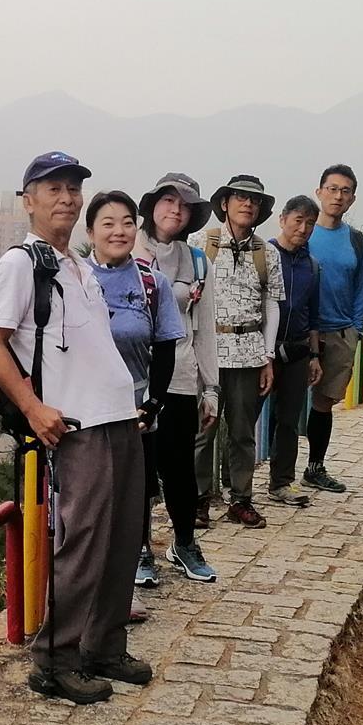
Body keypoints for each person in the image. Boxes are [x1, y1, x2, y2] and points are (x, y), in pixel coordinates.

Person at [0, 152, 153, 704]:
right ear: (28, 200)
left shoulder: (77, 264)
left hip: (119, 416)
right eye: (53, 188)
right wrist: (33, 407)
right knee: (84, 542)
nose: (66, 198)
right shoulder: (19, 264)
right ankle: (55, 660)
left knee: (122, 538)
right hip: (78, 425)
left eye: (73, 188)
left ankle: (104, 646)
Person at [83, 190, 187, 603]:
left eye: (127, 222)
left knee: (135, 494)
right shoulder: (75, 280)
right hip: (86, 414)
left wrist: (152, 404)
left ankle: (132, 568)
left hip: (135, 411)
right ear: (90, 232)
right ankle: (90, 587)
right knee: (90, 501)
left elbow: (165, 346)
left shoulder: (150, 282)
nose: (119, 231)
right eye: (107, 223)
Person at [140, 173, 218, 581]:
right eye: (168, 200)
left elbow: (205, 330)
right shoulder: (127, 248)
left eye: (184, 205)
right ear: (152, 205)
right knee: (138, 470)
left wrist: (212, 388)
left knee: (179, 470)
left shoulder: (198, 261)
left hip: (181, 378)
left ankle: (184, 543)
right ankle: (139, 551)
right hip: (135, 380)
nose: (175, 210)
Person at [195, 174, 280, 528]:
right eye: (240, 197)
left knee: (243, 432)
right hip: (208, 353)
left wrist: (268, 356)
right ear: (224, 203)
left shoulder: (267, 252)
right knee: (203, 430)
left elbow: (272, 304)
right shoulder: (202, 243)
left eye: (254, 200)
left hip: (248, 352)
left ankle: (241, 499)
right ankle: (198, 500)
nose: (247, 204)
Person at [305, 163, 363, 494]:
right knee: (284, 404)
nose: (338, 196)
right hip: (302, 332)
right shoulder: (303, 232)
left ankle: (315, 467)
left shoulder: (356, 241)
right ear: (319, 192)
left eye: (345, 191)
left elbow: (361, 288)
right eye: (332, 189)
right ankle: (276, 473)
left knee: (324, 403)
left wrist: (356, 331)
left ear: (352, 199)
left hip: (340, 332)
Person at [266, 195, 322, 507]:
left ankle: (281, 482)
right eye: (297, 220)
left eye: (309, 223)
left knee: (288, 420)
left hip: (298, 350)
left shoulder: (311, 265)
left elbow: (313, 315)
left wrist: (314, 356)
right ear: (283, 219)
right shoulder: (264, 255)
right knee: (244, 418)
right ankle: (236, 486)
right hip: (262, 350)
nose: (303, 228)